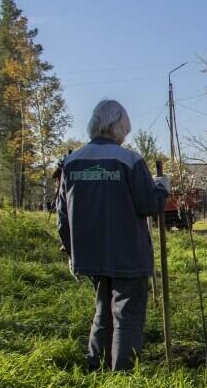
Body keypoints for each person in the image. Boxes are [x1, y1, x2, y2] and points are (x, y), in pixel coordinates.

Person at [57, 99, 170, 372]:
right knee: (127, 315)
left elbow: (63, 215)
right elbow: (148, 205)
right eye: (125, 130)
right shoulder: (129, 161)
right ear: (118, 126)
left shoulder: (71, 163)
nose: (125, 136)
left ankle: (96, 367)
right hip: (127, 254)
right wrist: (161, 188)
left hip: (90, 255)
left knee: (103, 310)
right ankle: (123, 376)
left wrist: (71, 252)